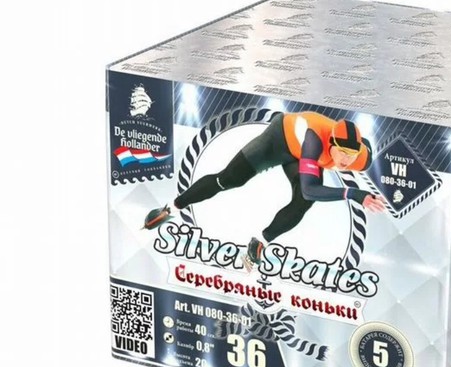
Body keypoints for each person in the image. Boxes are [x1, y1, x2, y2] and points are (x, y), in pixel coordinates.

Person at [144, 111, 385, 267]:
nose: (344, 160)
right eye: (341, 152)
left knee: (302, 203)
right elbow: (311, 188)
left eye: (351, 154)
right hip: (278, 140)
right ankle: (171, 208)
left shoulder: (359, 158)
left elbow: (366, 149)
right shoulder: (315, 140)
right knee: (228, 180)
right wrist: (354, 194)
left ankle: (260, 241)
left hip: (300, 155)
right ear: (330, 142)